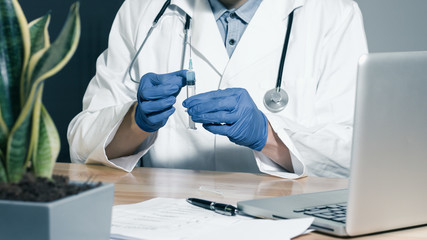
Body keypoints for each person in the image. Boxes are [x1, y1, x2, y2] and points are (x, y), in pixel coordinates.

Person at [67, 0, 368, 178]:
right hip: (169, 221)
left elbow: (354, 156)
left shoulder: (332, 13)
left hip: (286, 224)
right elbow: (81, 147)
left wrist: (268, 136)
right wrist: (135, 122)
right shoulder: (144, 9)